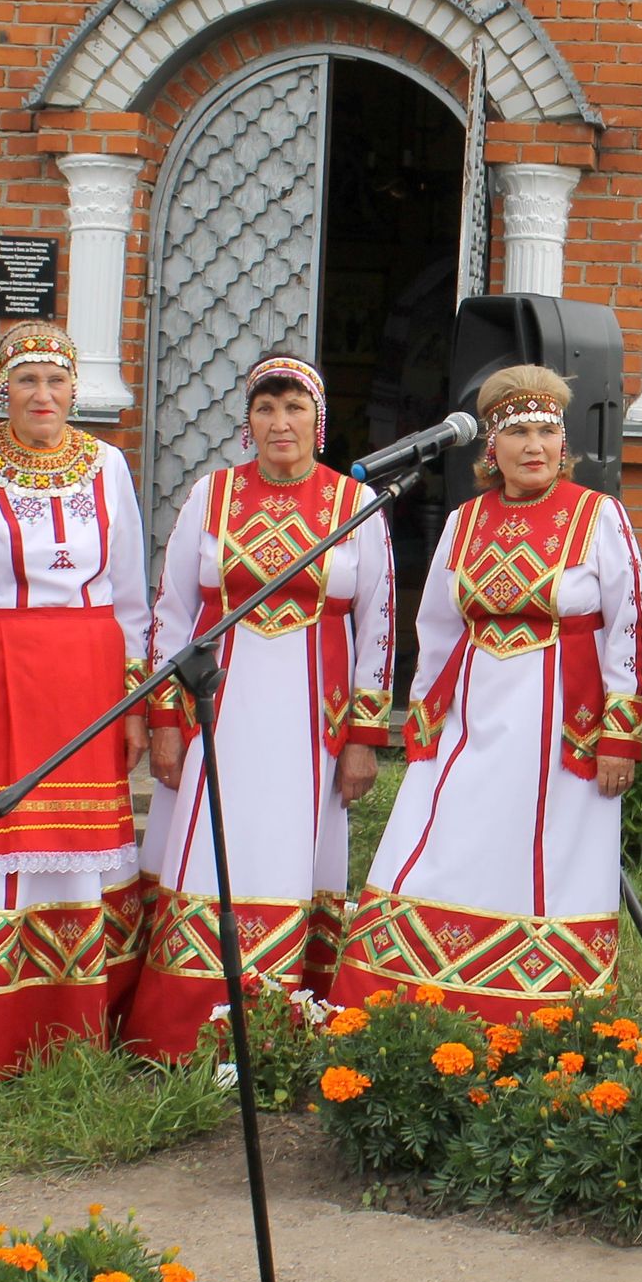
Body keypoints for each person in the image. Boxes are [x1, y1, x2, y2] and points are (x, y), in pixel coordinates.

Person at [329, 366, 642, 1020]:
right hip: (472, 721)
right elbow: (439, 629)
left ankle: (540, 1018)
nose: (536, 444)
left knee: (550, 866)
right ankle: (412, 1007)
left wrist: (621, 734)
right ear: (491, 447)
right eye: (519, 431)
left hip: (564, 730)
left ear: (565, 444)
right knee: (433, 845)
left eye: (548, 431)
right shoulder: (466, 521)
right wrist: (424, 722)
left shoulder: (600, 516)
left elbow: (628, 628)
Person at [124, 356, 395, 1057]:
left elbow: (378, 627)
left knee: (292, 860)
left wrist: (365, 736)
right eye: (266, 408)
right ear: (248, 422)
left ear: (319, 420)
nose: (281, 422)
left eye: (295, 408)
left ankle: (279, 1037)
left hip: (313, 731)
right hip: (219, 722)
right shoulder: (211, 497)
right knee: (210, 859)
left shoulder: (354, 505)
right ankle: (185, 1038)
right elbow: (173, 614)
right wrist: (162, 721)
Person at [0, 321, 150, 1078]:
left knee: (73, 851)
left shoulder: (109, 463)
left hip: (84, 675)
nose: (42, 396)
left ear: (75, 388)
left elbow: (131, 594)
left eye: (55, 381)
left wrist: (136, 699)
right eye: (25, 381)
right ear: (1, 390)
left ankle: (70, 1029)